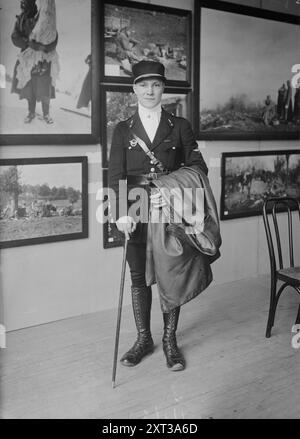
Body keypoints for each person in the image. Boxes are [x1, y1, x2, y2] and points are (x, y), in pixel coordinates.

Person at [108, 61, 209, 372]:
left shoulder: (179, 126)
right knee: (139, 276)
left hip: (170, 206)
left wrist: (170, 186)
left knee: (171, 273)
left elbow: (198, 168)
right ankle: (143, 340)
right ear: (134, 89)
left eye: (155, 84)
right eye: (143, 85)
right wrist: (121, 214)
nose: (149, 91)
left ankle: (169, 341)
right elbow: (115, 176)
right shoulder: (122, 129)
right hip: (136, 205)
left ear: (164, 88)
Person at [11, 0, 59, 124]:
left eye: (27, 3)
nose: (24, 6)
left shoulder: (43, 15)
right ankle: (31, 112)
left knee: (44, 86)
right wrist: (29, 44)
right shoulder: (20, 20)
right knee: (29, 86)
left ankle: (46, 114)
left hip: (44, 57)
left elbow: (53, 34)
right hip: (28, 58)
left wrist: (47, 47)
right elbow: (15, 37)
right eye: (23, 3)